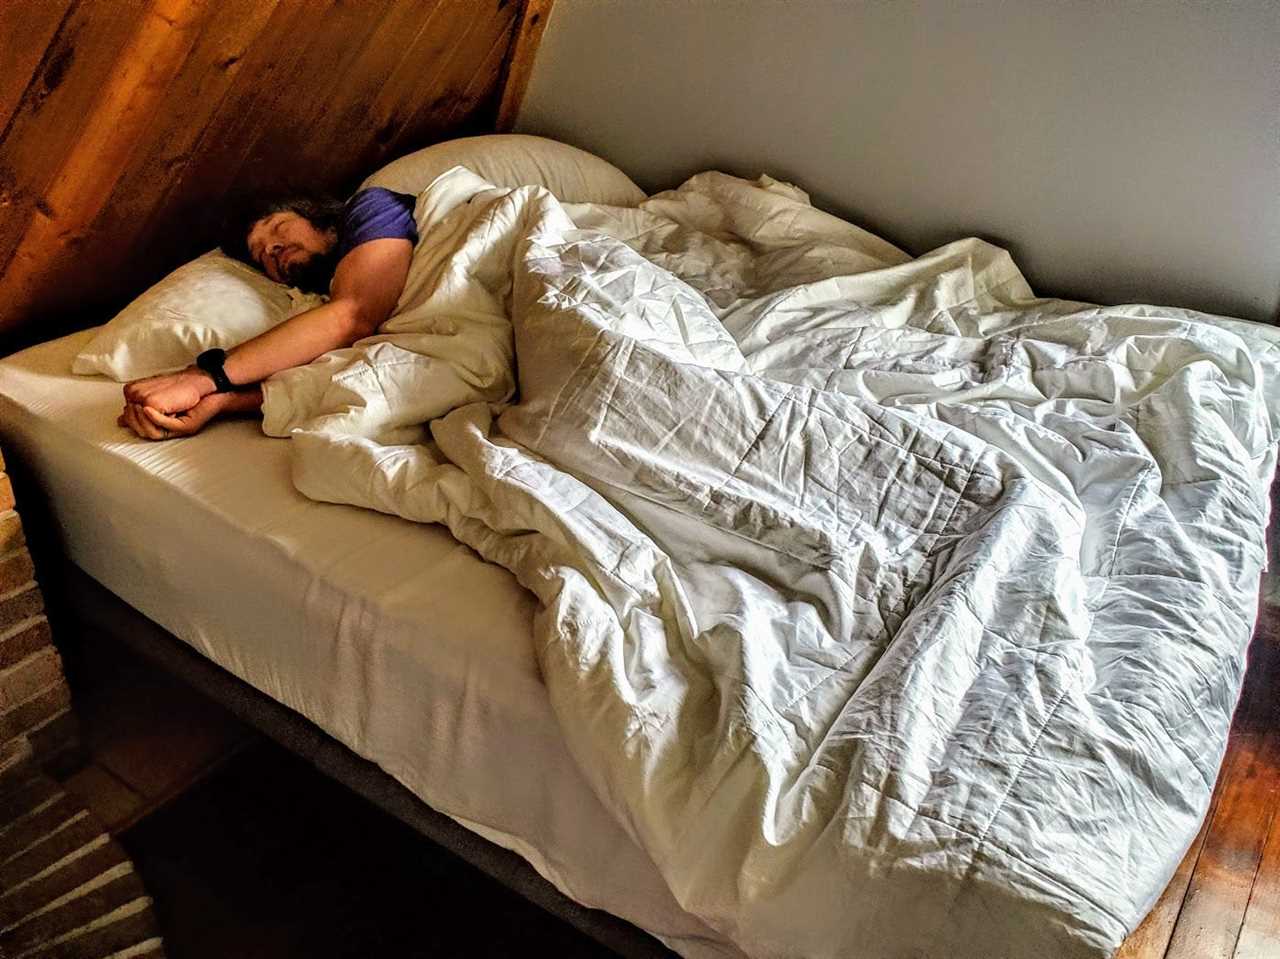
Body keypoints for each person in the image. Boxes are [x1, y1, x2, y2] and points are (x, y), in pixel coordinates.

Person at [117, 187, 418, 441]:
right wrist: (221, 403)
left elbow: (354, 316)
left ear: (316, 214)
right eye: (261, 254)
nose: (272, 247)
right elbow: (343, 375)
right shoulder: (315, 306)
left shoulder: (370, 207)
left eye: (278, 227)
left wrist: (201, 378)